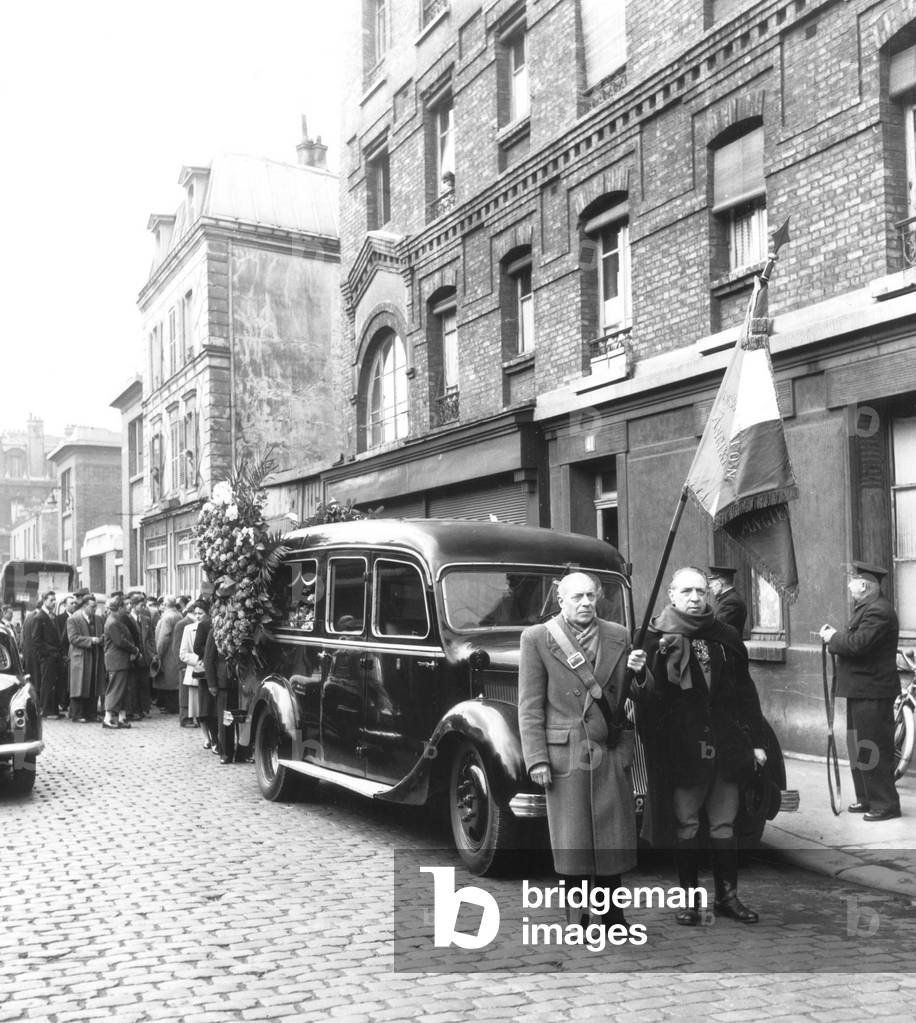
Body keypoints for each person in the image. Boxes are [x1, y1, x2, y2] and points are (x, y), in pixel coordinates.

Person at [518, 571, 647, 930]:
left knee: (612, 840)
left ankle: (613, 917)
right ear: (561, 600)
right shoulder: (538, 638)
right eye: (576, 597)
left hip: (608, 751)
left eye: (590, 596)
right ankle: (578, 919)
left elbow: (629, 699)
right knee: (573, 844)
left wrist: (638, 674)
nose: (585, 603)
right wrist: (537, 759)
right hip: (566, 755)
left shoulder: (618, 635)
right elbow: (529, 706)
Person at [640, 566, 766, 925]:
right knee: (687, 826)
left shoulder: (724, 635)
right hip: (682, 750)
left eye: (700, 591)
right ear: (671, 595)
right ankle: (689, 902)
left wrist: (756, 741)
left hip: (727, 747)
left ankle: (728, 897)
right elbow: (649, 697)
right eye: (686, 592)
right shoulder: (653, 636)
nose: (695, 598)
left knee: (725, 825)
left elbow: (745, 691)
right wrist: (651, 663)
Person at [819, 561, 901, 822]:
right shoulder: (867, 609)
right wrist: (834, 640)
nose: (849, 586)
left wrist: (833, 638)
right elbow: (854, 644)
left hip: (873, 692)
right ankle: (867, 798)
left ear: (865, 586)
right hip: (861, 690)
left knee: (873, 748)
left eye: (853, 581)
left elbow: (858, 645)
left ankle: (885, 804)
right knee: (859, 747)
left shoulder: (879, 611)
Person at [102, 594, 140, 729]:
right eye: (125, 605)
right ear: (119, 608)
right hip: (116, 660)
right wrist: (134, 650)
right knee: (115, 689)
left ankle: (121, 717)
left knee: (123, 690)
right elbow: (120, 642)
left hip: (121, 660)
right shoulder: (113, 622)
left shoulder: (116, 620)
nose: (127, 608)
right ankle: (108, 719)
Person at [66, 588, 102, 722]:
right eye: (93, 607)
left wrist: (101, 639)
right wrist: (91, 640)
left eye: (96, 607)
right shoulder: (74, 619)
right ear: (85, 606)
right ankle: (77, 714)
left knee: (93, 684)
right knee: (79, 685)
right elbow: (73, 638)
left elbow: (102, 633)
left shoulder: (98, 619)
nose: (95, 609)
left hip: (95, 656)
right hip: (80, 657)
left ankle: (91, 713)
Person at [25, 591, 61, 718]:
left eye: (54, 600)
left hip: (54, 656)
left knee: (52, 682)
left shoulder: (52, 616)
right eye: (51, 600)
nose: (53, 602)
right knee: (46, 683)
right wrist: (46, 655)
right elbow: (36, 639)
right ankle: (45, 710)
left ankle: (52, 709)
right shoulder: (39, 617)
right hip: (47, 657)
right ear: (44, 600)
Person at [154, 596, 183, 715]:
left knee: (168, 680)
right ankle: (174, 705)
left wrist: (158, 652)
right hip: (176, 650)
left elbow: (164, 637)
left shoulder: (167, 617)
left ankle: (170, 706)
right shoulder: (179, 615)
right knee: (174, 680)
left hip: (168, 653)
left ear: (165, 605)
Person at [707, 565, 747, 634]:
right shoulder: (727, 598)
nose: (710, 586)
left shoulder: (731, 602)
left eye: (712, 582)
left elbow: (717, 628)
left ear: (720, 582)